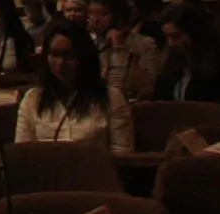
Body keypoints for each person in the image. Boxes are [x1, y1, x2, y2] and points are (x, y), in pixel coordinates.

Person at [15, 22, 132, 151]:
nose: (61, 63)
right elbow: (22, 154)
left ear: (85, 57)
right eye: (55, 54)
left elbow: (122, 154)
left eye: (69, 55)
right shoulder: (32, 99)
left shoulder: (112, 98)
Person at [155, 3, 220, 116]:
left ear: (195, 34)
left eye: (177, 36)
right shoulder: (171, 66)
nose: (170, 43)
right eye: (167, 37)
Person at [89, 0, 161, 99]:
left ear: (119, 15)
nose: (95, 20)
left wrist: (121, 48)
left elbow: (146, 87)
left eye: (103, 14)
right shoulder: (90, 44)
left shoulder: (144, 44)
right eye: (91, 14)